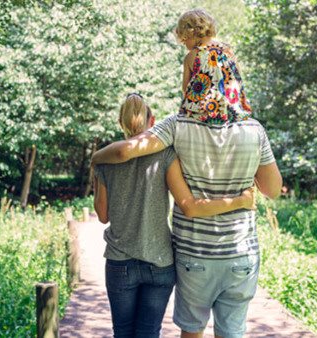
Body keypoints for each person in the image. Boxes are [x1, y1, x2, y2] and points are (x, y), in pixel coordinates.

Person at [91, 9, 283, 338]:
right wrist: (240, 191)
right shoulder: (254, 130)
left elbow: (126, 150)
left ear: (196, 75)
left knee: (190, 332)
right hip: (241, 252)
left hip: (195, 254)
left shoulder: (177, 126)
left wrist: (96, 158)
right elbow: (273, 189)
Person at [93, 93, 257, 338]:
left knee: (123, 332)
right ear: (153, 120)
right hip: (160, 262)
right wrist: (240, 201)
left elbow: (103, 216)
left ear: (120, 121)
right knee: (149, 332)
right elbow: (189, 204)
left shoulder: (105, 161)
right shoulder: (166, 155)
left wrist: (97, 172)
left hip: (120, 262)